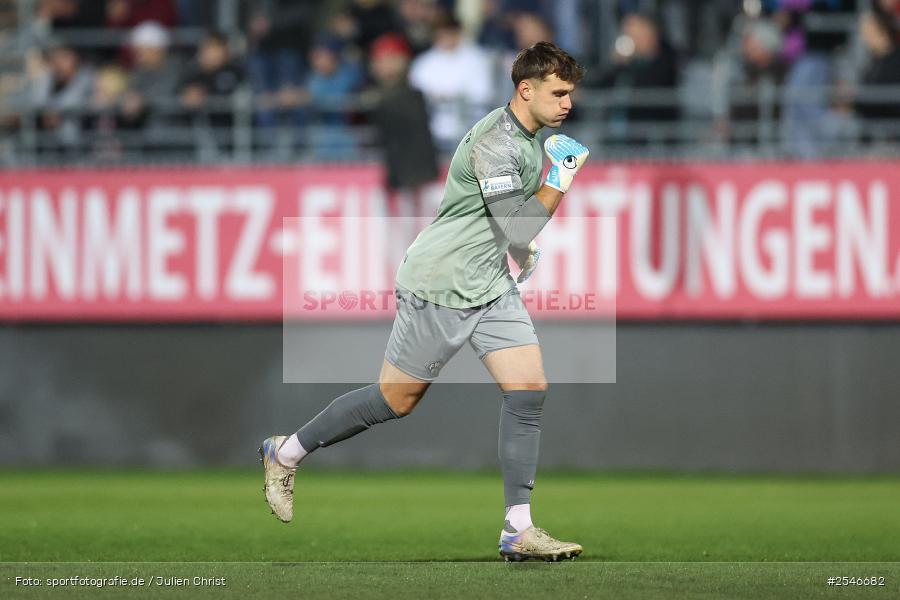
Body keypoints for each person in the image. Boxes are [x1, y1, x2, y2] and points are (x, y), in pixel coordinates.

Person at [260, 41, 591, 562]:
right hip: (441, 282)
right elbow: (518, 218)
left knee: (528, 391)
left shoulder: (530, 138)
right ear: (525, 90)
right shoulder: (496, 144)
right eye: (560, 92)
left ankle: (518, 529)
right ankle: (286, 451)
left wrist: (522, 249)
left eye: (570, 93)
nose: (568, 103)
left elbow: (508, 224)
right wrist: (560, 180)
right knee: (396, 400)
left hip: (488, 284)